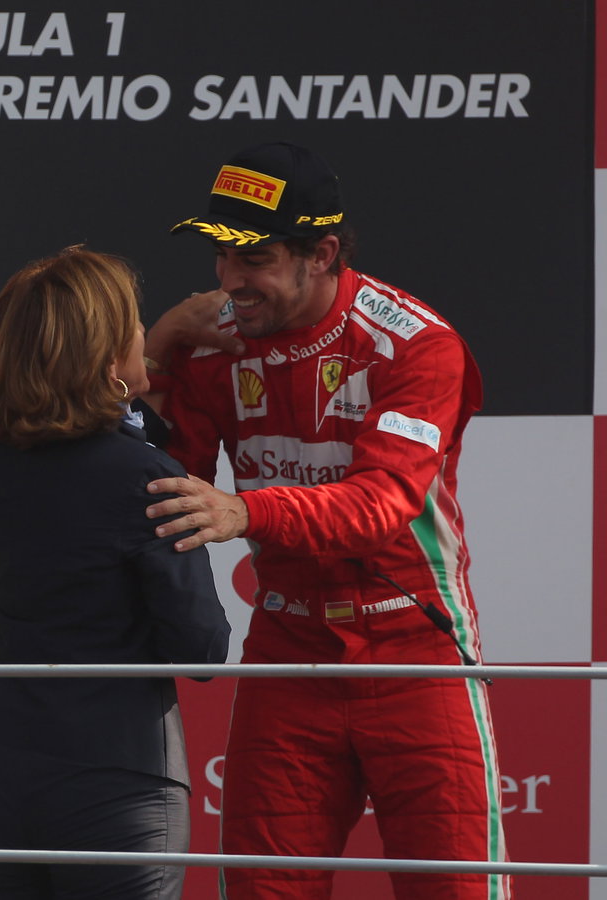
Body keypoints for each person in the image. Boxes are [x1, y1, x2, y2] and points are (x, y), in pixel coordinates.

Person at [143, 142, 506, 898]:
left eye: (256, 260)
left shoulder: (415, 345)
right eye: (221, 256)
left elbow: (380, 506)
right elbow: (157, 482)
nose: (230, 280)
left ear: (323, 253)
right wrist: (155, 349)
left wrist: (246, 511)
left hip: (415, 647)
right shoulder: (214, 343)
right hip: (289, 650)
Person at [0, 246, 229, 899]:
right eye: (134, 324)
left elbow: (93, 429)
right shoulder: (147, 477)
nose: (142, 336)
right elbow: (202, 647)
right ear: (104, 361)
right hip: (118, 788)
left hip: (0, 787)